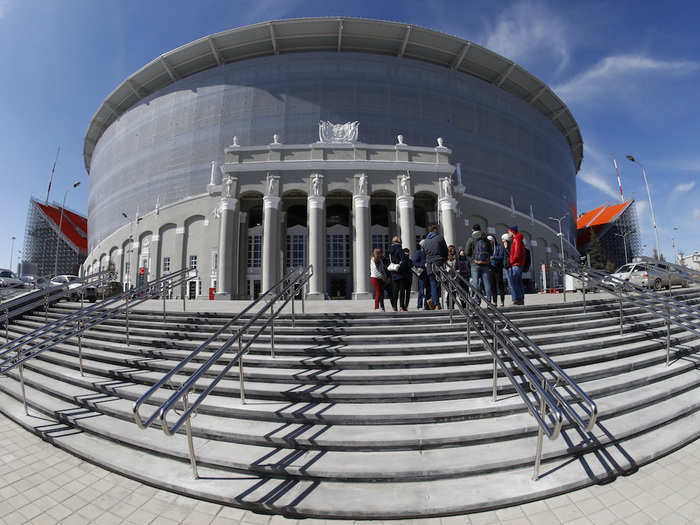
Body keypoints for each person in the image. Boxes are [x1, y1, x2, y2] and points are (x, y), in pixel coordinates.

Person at [465, 224, 493, 305]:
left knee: (475, 283)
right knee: (487, 283)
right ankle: (489, 301)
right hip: (485, 264)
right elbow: (491, 252)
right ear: (480, 229)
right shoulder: (486, 239)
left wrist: (472, 260)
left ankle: (477, 300)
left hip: (475, 264)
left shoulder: (471, 239)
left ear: (473, 230)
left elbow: (467, 252)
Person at [422, 224, 448, 309]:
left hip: (429, 263)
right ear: (435, 230)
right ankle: (436, 302)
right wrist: (444, 259)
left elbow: (424, 252)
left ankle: (436, 303)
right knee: (440, 283)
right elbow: (445, 250)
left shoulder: (425, 240)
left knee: (432, 283)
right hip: (438, 262)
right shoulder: (439, 237)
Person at [507, 225, 526, 305]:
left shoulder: (516, 239)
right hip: (519, 264)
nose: (508, 233)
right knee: (518, 281)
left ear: (512, 232)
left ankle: (517, 299)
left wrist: (511, 261)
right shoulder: (518, 239)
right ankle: (520, 299)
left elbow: (517, 253)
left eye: (509, 231)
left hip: (516, 264)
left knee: (514, 282)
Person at [387, 236, 404, 312]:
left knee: (395, 290)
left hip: (393, 271)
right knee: (402, 290)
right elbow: (403, 260)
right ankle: (401, 307)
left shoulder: (390, 250)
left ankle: (394, 307)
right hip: (400, 271)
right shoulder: (399, 249)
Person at [489, 235, 506, 307]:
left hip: (498, 268)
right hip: (490, 268)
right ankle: (495, 302)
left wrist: (493, 257)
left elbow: (502, 256)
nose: (490, 242)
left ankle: (502, 301)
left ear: (494, 240)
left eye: (491, 240)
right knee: (493, 286)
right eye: (489, 241)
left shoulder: (499, 246)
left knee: (500, 285)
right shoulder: (487, 248)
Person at [412, 240, 429, 309]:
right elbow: (414, 262)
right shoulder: (418, 252)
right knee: (421, 290)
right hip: (422, 274)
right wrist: (423, 265)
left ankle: (426, 305)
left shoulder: (427, 253)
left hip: (428, 273)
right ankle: (419, 305)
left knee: (428, 290)